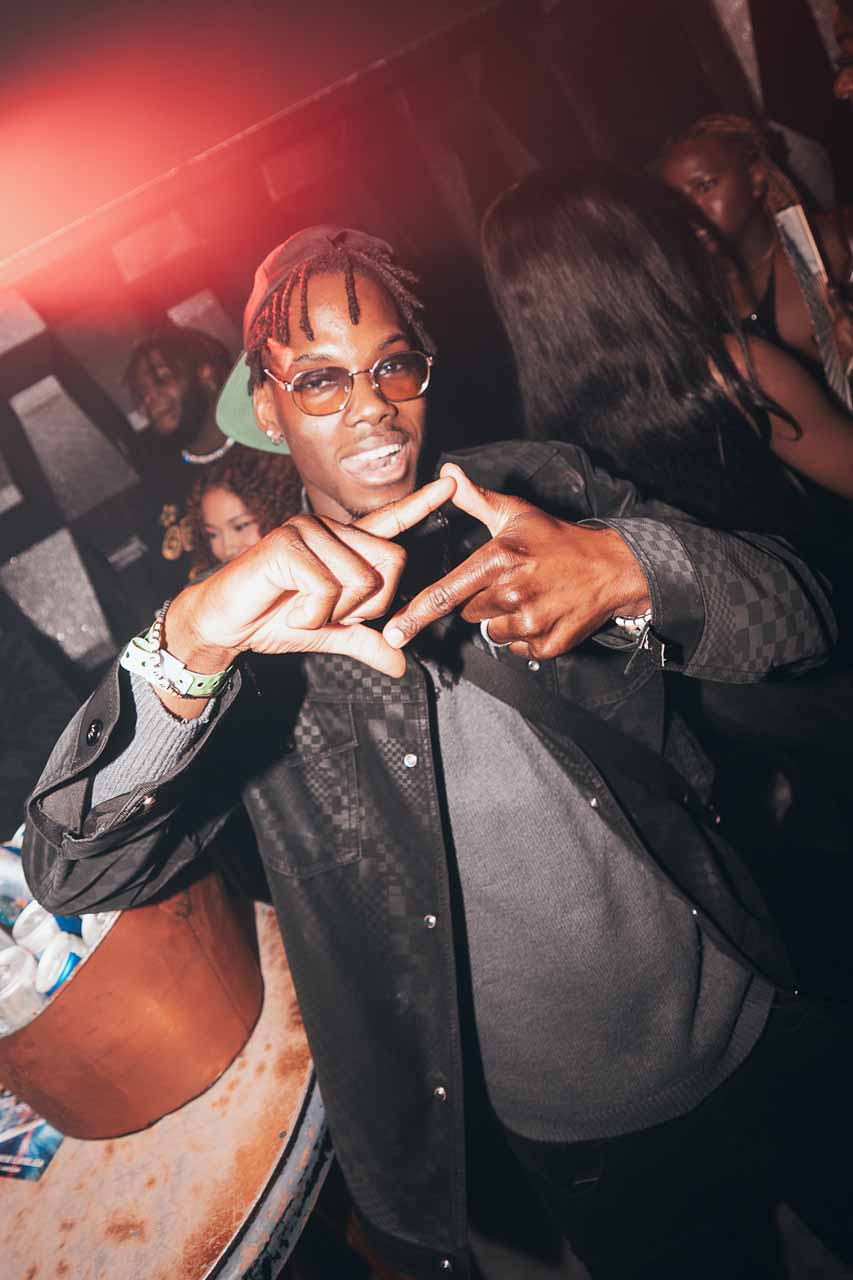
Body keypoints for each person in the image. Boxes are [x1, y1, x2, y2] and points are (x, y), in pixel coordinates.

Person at [21, 226, 847, 1280]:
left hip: (761, 999)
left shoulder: (539, 487)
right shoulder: (254, 644)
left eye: (392, 366)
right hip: (586, 1131)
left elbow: (805, 620)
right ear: (267, 407)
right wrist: (186, 643)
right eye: (319, 380)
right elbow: (74, 871)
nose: (370, 405)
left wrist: (633, 566)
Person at [658, 114, 853, 393]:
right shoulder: (690, 294)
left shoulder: (835, 243)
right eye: (677, 200)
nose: (690, 210)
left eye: (705, 186)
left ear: (755, 178)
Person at [123, 322, 241, 601]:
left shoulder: (273, 449)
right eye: (140, 394)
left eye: (161, 379)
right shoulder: (153, 494)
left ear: (207, 375)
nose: (149, 399)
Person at [185, 448, 301, 576]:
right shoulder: (209, 585)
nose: (228, 548)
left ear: (276, 513)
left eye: (240, 527)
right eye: (213, 535)